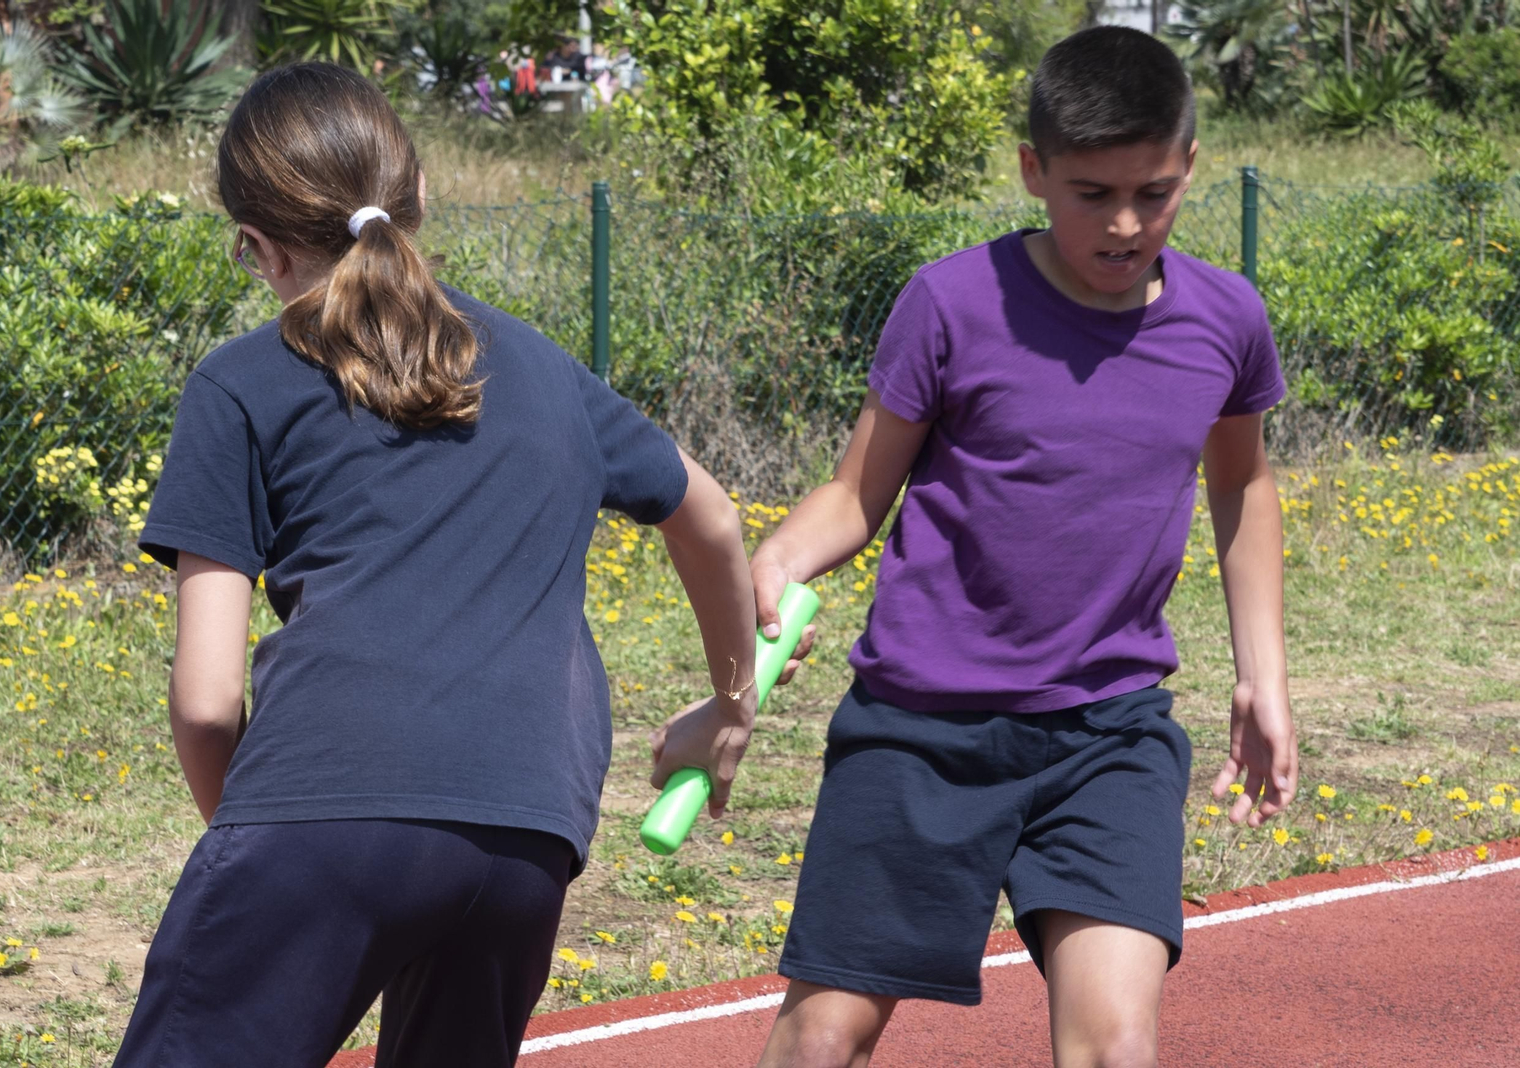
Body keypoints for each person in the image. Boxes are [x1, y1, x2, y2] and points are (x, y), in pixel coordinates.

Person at [111, 62, 758, 1068]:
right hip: (527, 829)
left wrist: (270, 840)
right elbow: (710, 518)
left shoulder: (240, 383)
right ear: (417, 202)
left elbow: (203, 701)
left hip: (321, 808)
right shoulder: (544, 367)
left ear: (257, 244)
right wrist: (730, 701)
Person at [749, 26, 1296, 1068]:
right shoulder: (952, 301)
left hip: (1108, 733)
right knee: (823, 1038)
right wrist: (779, 559)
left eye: (1155, 191)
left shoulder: (1225, 318)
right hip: (920, 729)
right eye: (1093, 194)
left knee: (1115, 1045)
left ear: (1189, 167)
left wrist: (1262, 679)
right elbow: (856, 493)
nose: (1127, 224)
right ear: (1033, 171)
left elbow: (1242, 483)